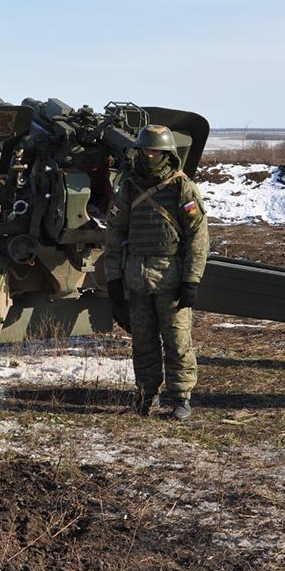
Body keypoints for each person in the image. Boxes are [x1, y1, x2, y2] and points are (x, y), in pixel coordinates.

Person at [105, 124, 209, 421]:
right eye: (145, 150)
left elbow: (198, 238)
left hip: (171, 280)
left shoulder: (182, 187)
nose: (149, 156)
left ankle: (180, 397)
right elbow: (114, 234)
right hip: (137, 280)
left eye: (155, 151)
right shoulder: (129, 187)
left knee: (177, 342)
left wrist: (191, 280)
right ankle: (145, 393)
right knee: (143, 343)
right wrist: (113, 278)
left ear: (167, 154)